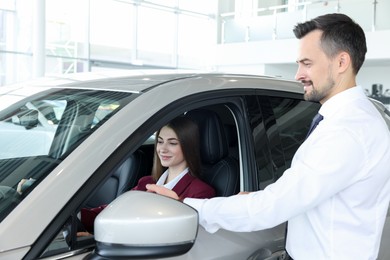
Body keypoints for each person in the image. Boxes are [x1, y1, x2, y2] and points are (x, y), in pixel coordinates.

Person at [147, 13, 390, 260]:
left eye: (307, 63)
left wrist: (187, 205)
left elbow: (271, 208)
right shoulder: (347, 121)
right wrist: (264, 197)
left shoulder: (347, 130)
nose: (298, 74)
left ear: (341, 63)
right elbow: (309, 190)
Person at [79, 116, 215, 234]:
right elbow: (114, 211)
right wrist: (75, 216)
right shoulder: (146, 182)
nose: (163, 149)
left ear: (188, 146)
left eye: (172, 143)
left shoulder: (201, 192)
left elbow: (173, 234)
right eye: (160, 141)